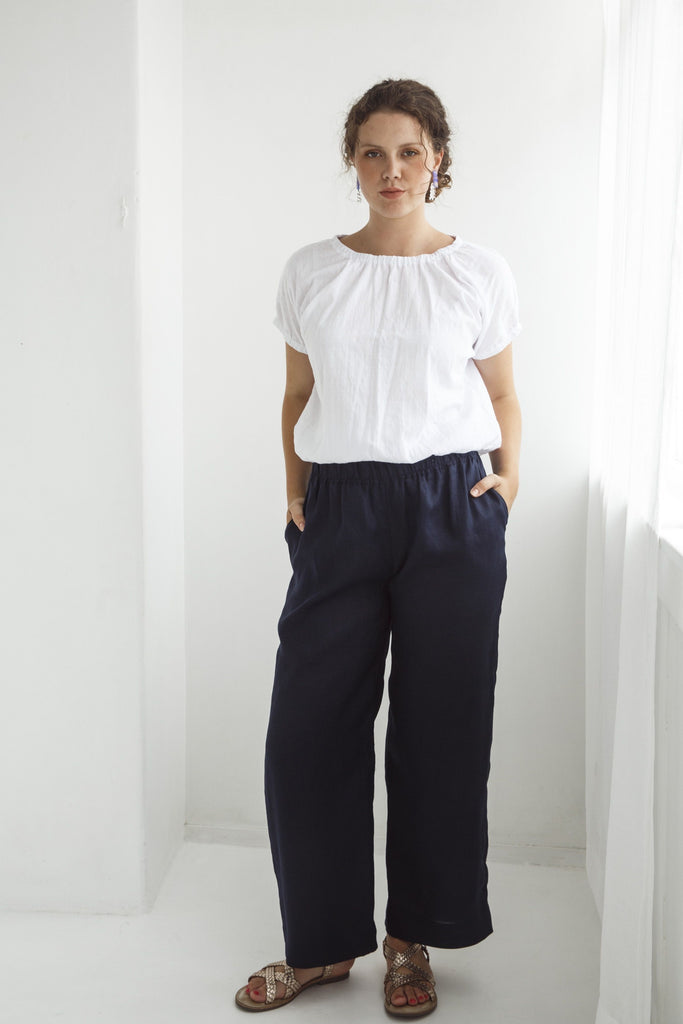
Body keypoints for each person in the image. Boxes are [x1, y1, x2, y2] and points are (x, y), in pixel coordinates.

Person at [234, 77, 522, 1018]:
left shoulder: (476, 271)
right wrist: (294, 491)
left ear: (437, 160)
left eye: (408, 152)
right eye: (372, 152)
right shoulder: (311, 270)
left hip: (451, 505)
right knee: (308, 726)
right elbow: (296, 394)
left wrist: (507, 481)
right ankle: (321, 947)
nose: (390, 170)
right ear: (351, 163)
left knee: (442, 727)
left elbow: (502, 392)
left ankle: (411, 940)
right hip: (341, 505)